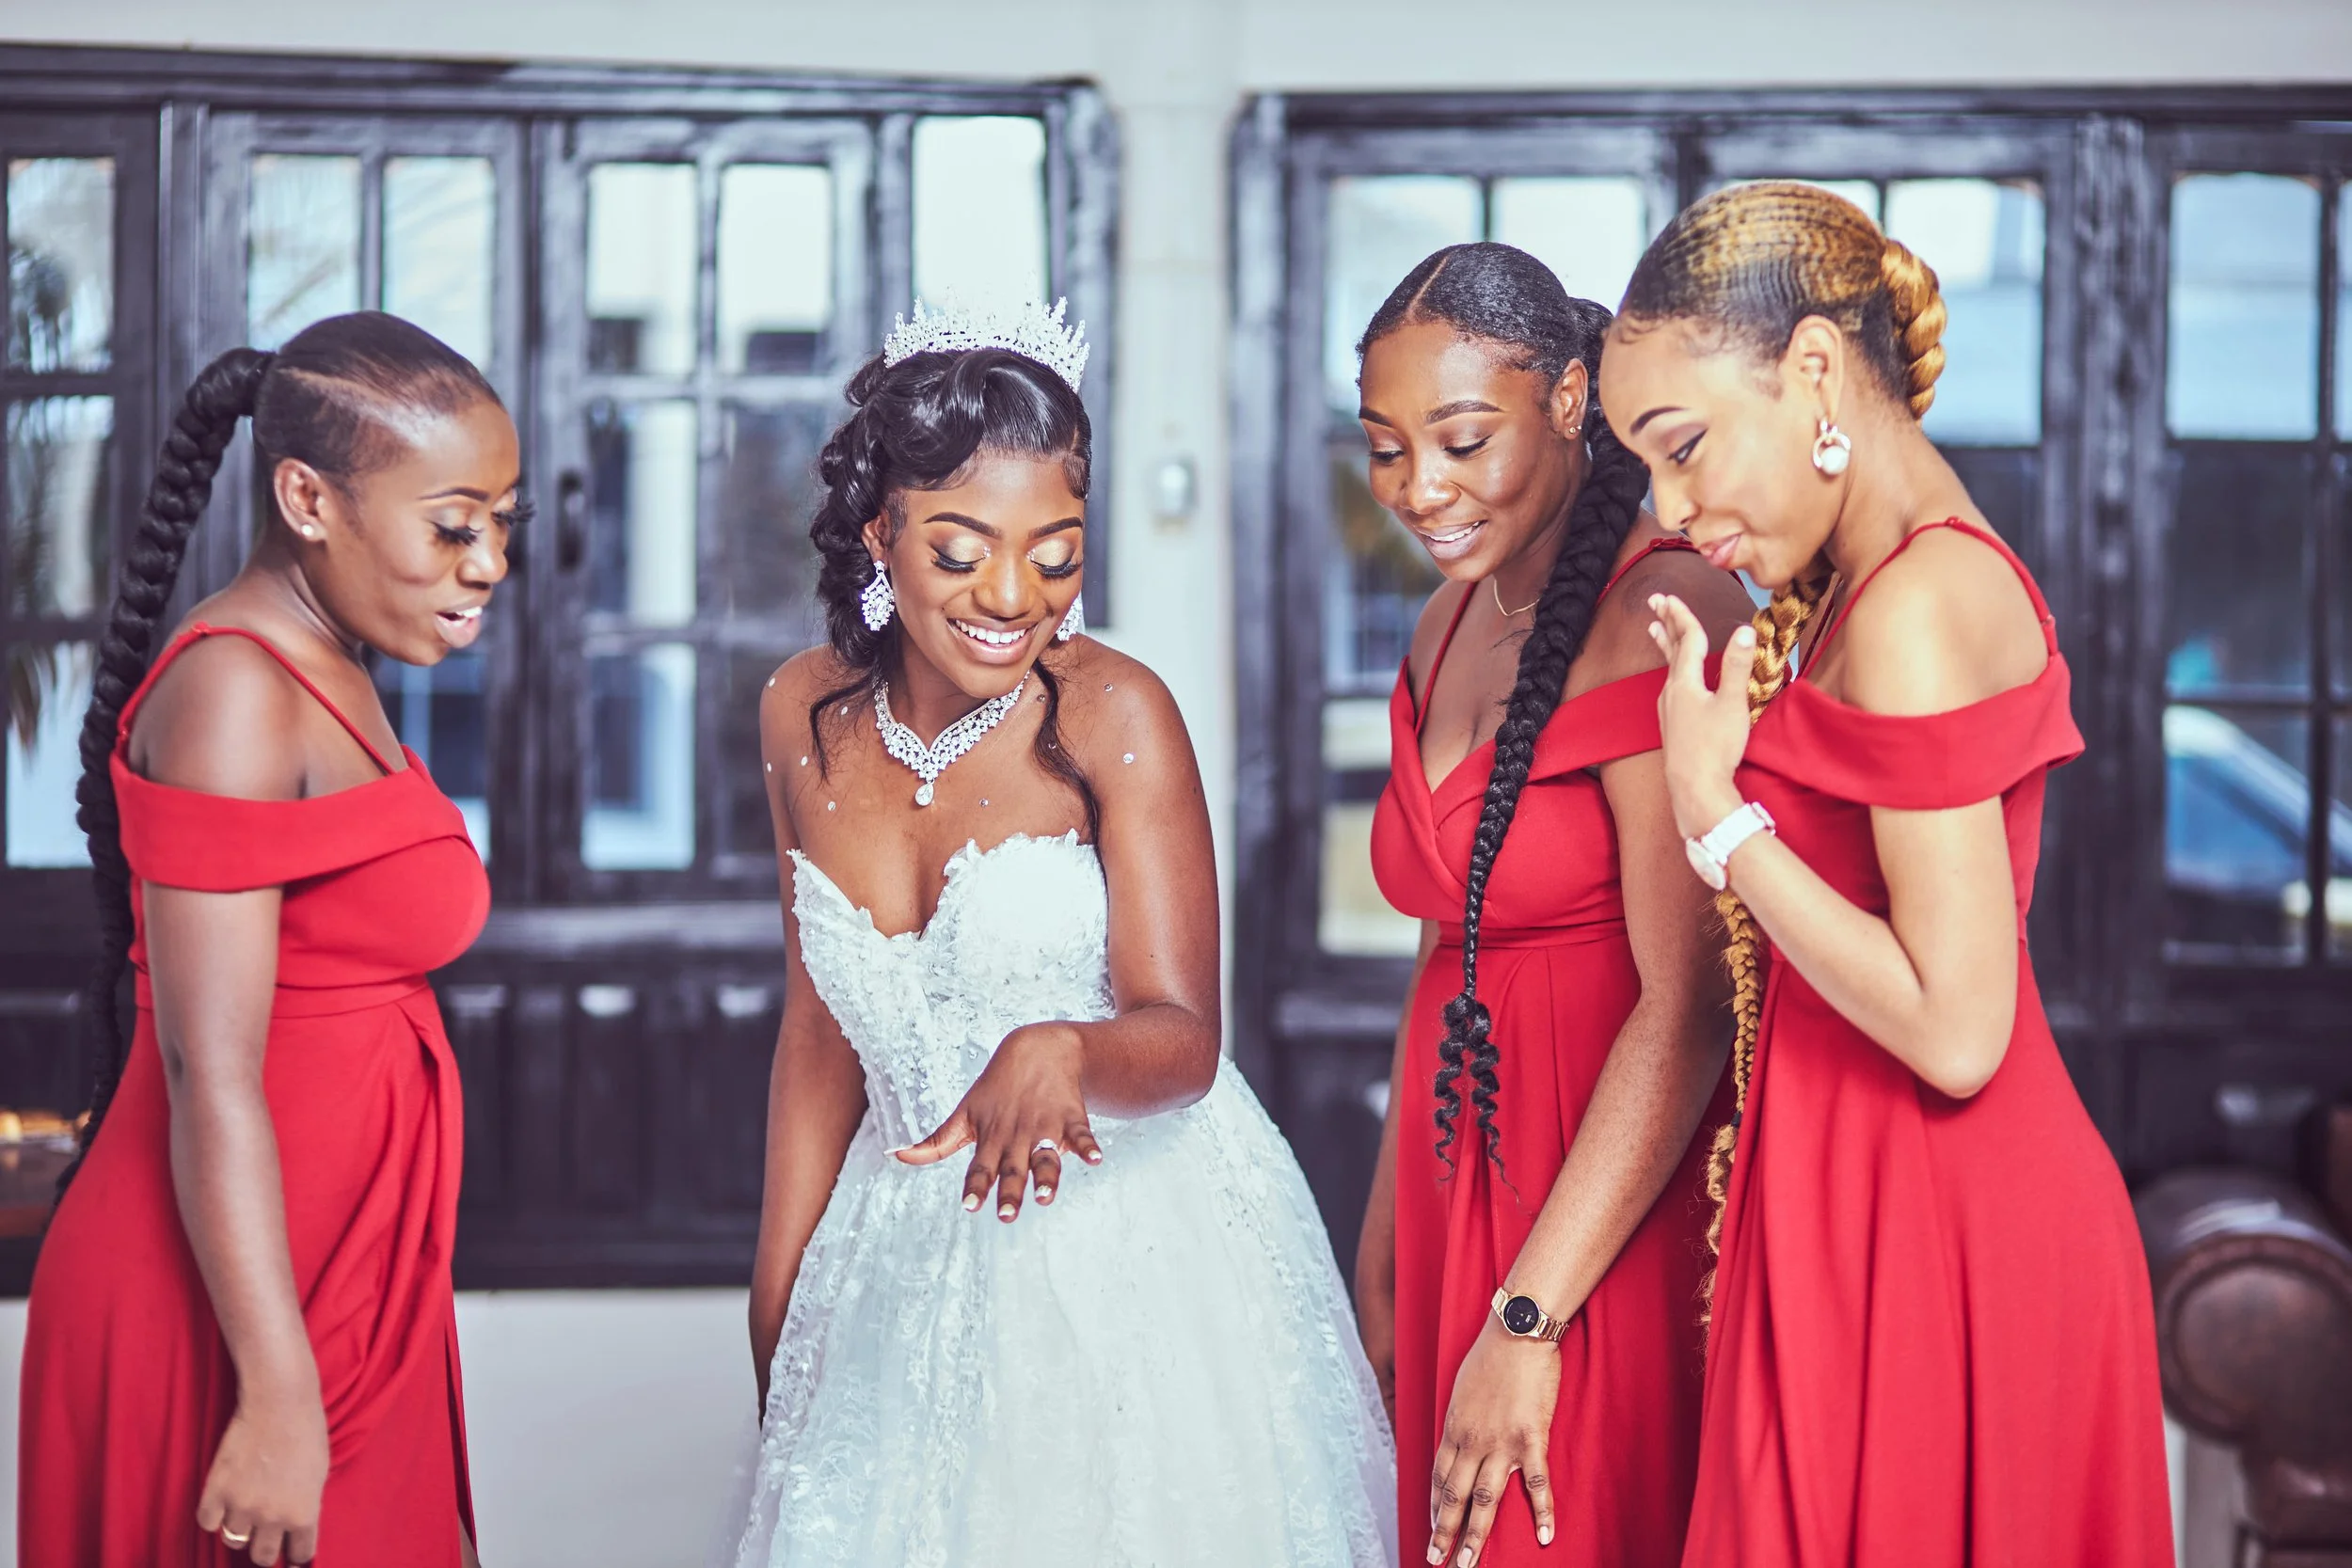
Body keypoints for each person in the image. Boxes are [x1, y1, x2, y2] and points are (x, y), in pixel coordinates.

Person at [728, 301, 1393, 1568]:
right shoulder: (798, 715)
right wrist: (780, 1290)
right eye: (960, 549)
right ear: (880, 530)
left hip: (1123, 1253)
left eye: (1056, 553)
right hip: (894, 1251)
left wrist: (1065, 1050)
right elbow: (819, 1023)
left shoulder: (1115, 713)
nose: (1011, 596)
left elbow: (1184, 1039)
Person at [1605, 182, 2173, 1565]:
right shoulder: (1859, 588)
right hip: (1851, 1201)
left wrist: (1712, 809)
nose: (1672, 507)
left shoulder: (1917, 600)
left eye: (1685, 447)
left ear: (1813, 370)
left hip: (1941, 1224)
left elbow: (1958, 1031)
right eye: (1648, 470)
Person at [21, 312, 520, 1567]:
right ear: (308, 499)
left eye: (501, 525)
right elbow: (209, 1069)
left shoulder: (332, 663)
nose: (489, 564)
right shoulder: (235, 691)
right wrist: (279, 1390)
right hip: (236, 1308)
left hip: (344, 1269)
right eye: (453, 526)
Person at [1352, 243, 1753, 1568]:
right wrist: (1388, 1239)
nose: (1422, 487)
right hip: (1451, 1178)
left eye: (1463, 440)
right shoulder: (1444, 625)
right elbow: (1444, 950)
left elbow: (1691, 1010)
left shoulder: (1669, 607)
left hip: (1595, 1216)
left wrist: (1528, 1318)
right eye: (1388, 448)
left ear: (1571, 400)